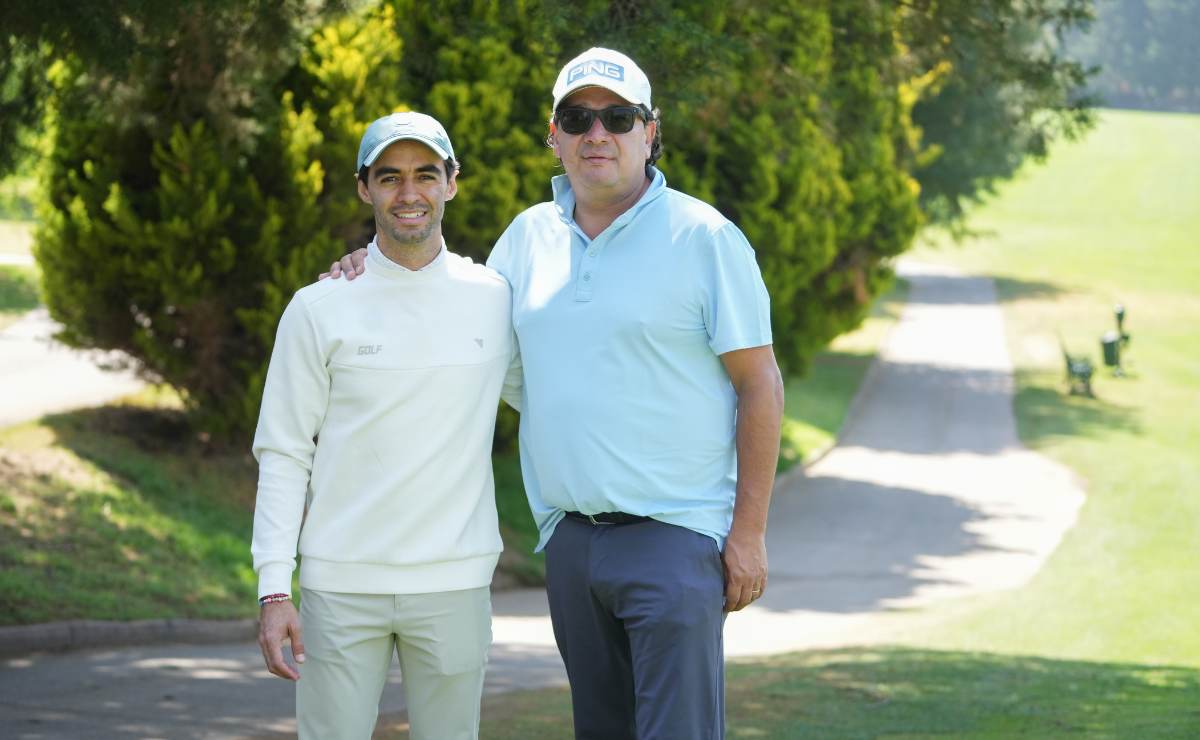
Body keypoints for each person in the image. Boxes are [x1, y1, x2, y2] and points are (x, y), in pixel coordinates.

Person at [328, 47, 784, 739]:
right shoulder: (527, 238)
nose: (596, 133)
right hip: (572, 544)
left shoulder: (705, 237)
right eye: (577, 118)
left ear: (649, 131)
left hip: (676, 537)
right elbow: (454, 313)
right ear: (554, 135)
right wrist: (377, 266)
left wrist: (746, 534)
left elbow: (760, 385)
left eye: (617, 117)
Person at [251, 111, 521, 740]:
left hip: (455, 582)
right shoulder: (318, 307)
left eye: (425, 175)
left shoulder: (495, 298)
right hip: (339, 586)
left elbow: (551, 403)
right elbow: (284, 451)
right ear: (364, 187)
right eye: (389, 176)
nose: (409, 193)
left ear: (451, 183)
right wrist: (273, 589)